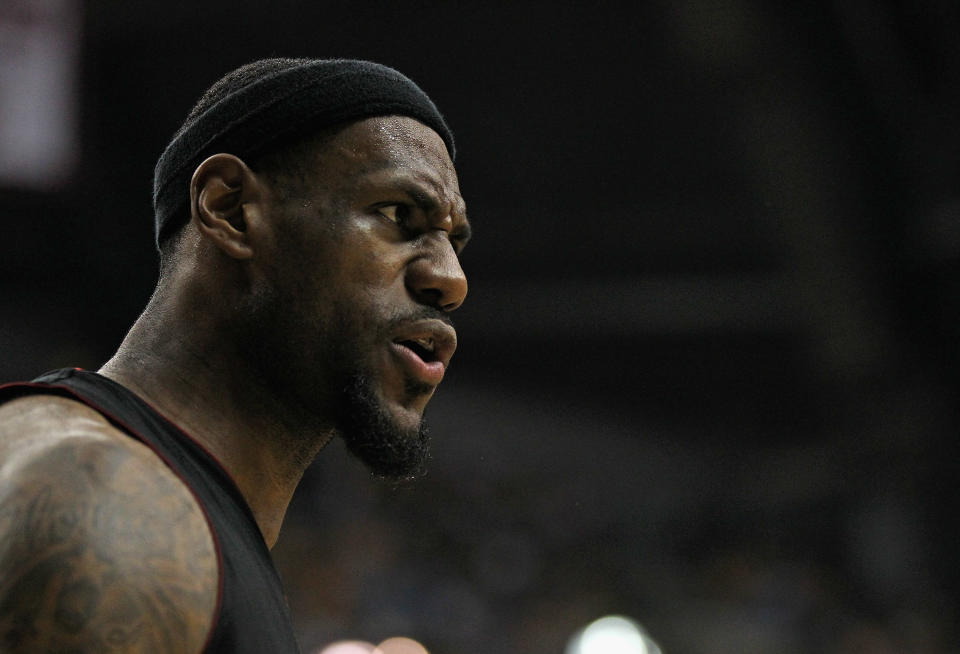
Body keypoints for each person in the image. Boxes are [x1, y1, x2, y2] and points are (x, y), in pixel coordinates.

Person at [0, 58, 470, 653]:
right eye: (399, 215)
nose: (451, 281)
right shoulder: (109, 508)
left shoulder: (155, 501)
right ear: (229, 208)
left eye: (454, 242)